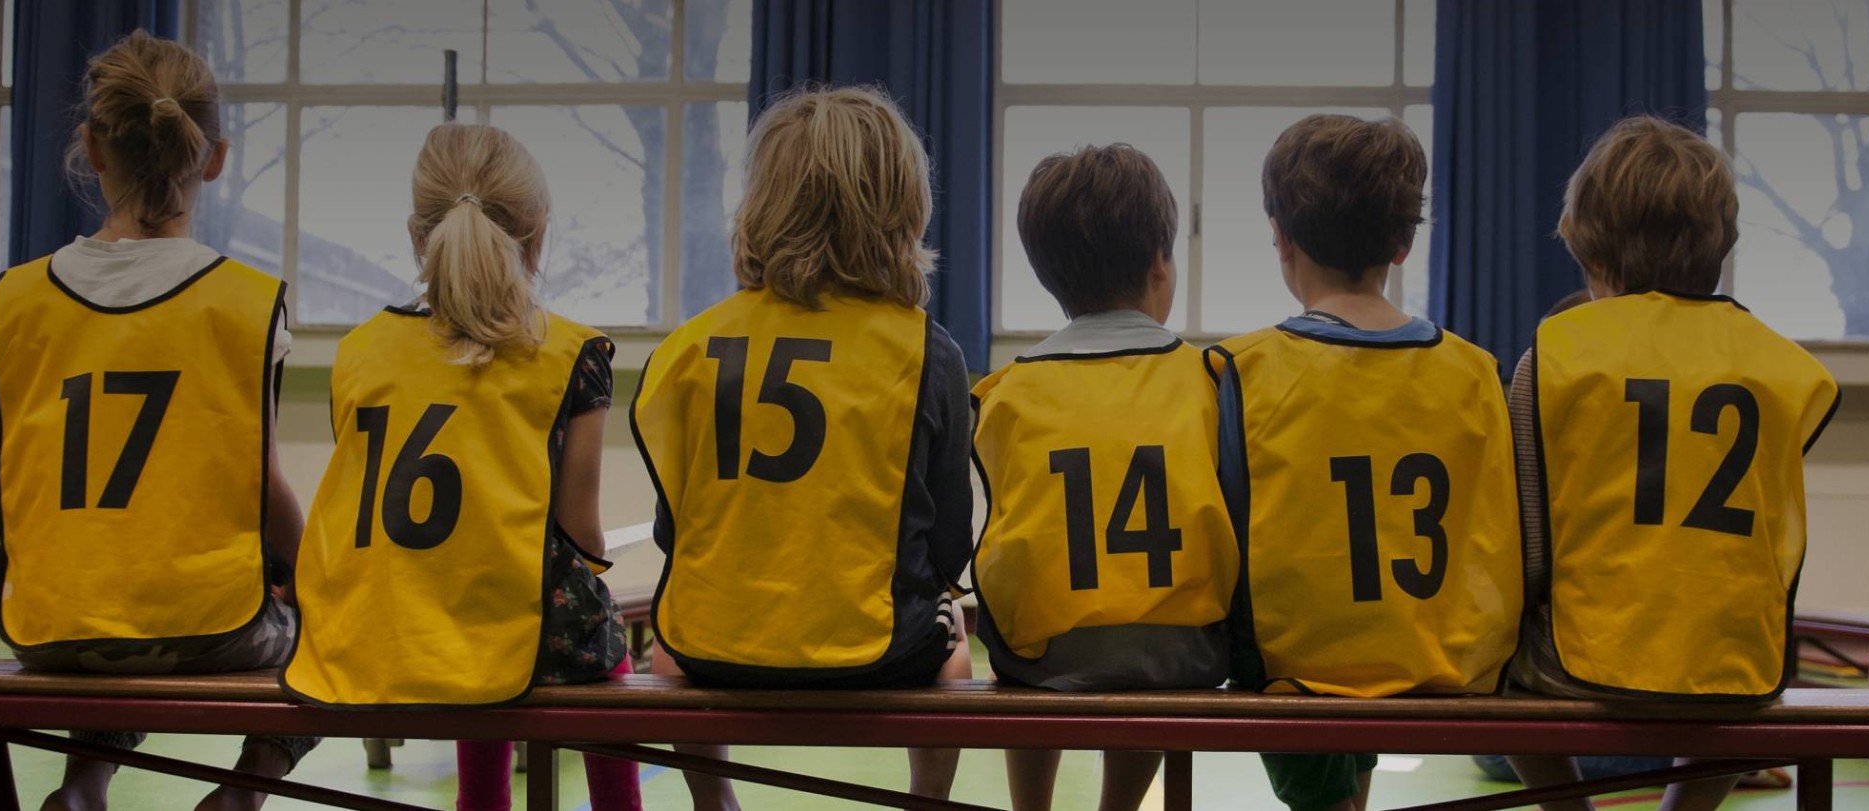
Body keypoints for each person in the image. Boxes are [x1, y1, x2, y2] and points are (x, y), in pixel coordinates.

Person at [0, 31, 316, 811]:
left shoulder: (15, 297)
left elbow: (8, 475)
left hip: (47, 626)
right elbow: (263, 485)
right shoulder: (245, 301)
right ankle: (244, 790)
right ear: (215, 157)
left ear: (92, 148)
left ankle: (84, 783)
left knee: (121, 614)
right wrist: (319, 582)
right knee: (326, 634)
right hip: (209, 627)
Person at [277, 122, 641, 811]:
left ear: (419, 236)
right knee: (593, 639)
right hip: (505, 630)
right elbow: (584, 535)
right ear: (535, 240)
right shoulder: (573, 352)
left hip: (387, 627)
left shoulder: (358, 350)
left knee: (475, 617)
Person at [631, 86, 973, 811]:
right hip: (877, 651)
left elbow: (677, 533)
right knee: (953, 642)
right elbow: (946, 550)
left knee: (668, 637)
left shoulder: (687, 348)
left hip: (709, 648)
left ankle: (715, 798)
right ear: (902, 208)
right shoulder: (926, 352)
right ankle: (928, 798)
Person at [1504, 115, 1840, 811]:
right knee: (1736, 680)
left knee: (1495, 659)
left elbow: (1529, 550)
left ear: (1591, 251)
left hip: (1580, 662)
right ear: (1720, 242)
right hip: (1736, 668)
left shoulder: (1557, 351)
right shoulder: (1779, 365)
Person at [1206, 114, 1522, 811]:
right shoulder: (1477, 371)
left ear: (1281, 238)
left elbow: (1223, 530)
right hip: (1443, 657)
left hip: (1300, 670)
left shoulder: (1244, 369)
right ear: (1405, 243)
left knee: (1287, 646)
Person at [973, 144, 1238, 811]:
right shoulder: (1207, 380)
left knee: (1029, 621)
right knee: (1152, 630)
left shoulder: (1008, 392)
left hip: (1043, 659)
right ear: (1159, 263)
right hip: (1187, 654)